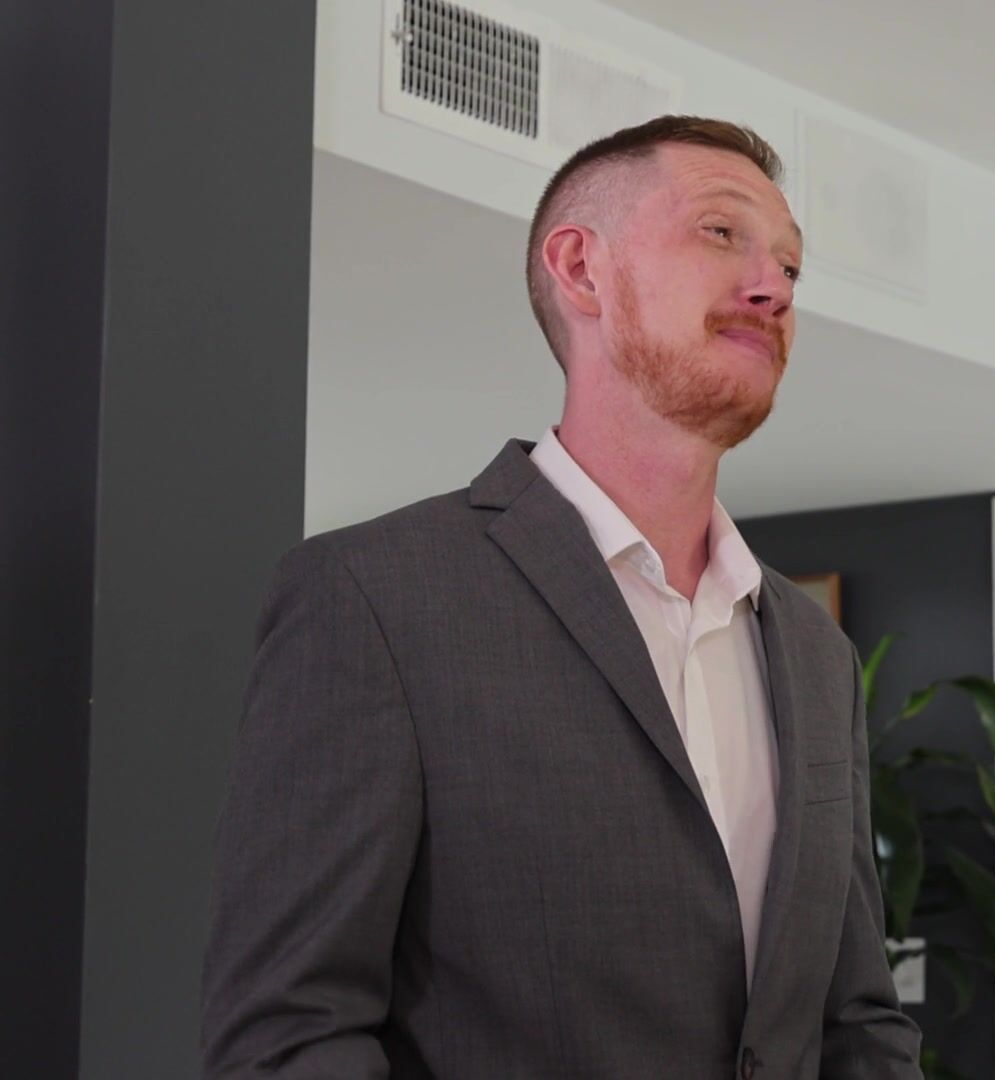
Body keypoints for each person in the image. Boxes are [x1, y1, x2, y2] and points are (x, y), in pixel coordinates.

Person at [200, 116, 922, 1079]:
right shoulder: (374, 597)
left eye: (790, 266)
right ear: (582, 269)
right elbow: (290, 1034)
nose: (774, 287)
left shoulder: (816, 654)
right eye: (722, 233)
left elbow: (857, 1020)